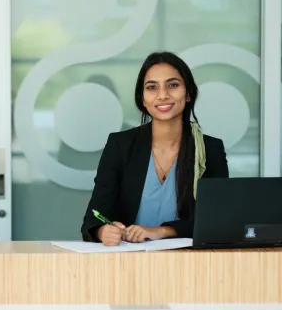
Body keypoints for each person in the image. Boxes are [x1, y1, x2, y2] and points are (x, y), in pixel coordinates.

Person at [81, 52, 229, 245]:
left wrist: (163, 231)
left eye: (173, 85)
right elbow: (93, 218)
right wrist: (103, 231)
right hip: (128, 261)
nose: (162, 95)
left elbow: (217, 219)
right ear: (142, 99)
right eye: (152, 87)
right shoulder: (120, 145)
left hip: (190, 263)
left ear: (189, 93)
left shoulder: (210, 149)